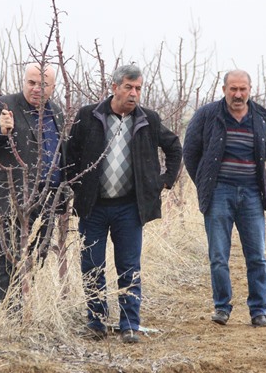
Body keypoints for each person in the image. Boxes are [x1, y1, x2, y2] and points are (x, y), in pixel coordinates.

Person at [66, 64, 182, 343]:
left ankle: (129, 324)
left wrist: (165, 180)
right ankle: (96, 322)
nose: (133, 94)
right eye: (129, 87)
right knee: (91, 265)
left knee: (129, 266)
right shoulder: (89, 115)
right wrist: (76, 185)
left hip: (130, 208)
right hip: (93, 207)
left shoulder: (148, 119)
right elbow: (70, 153)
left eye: (138, 88)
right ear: (114, 87)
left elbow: (174, 147)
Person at [182, 69, 266, 328]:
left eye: (243, 89)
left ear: (250, 89)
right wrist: (205, 184)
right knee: (219, 255)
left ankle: (259, 311)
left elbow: (263, 152)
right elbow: (190, 152)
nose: (238, 94)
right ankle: (222, 307)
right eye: (233, 89)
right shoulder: (207, 115)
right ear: (224, 90)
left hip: (252, 194)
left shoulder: (262, 116)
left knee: (257, 256)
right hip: (219, 192)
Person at [0, 62, 65, 308]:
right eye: (32, 83)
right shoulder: (3, 106)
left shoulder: (57, 112)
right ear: (24, 82)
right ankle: (9, 317)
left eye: (44, 84)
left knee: (36, 257)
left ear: (53, 86)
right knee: (8, 260)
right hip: (12, 198)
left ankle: (25, 307)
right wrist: (2, 131)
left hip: (46, 198)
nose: (37, 89)